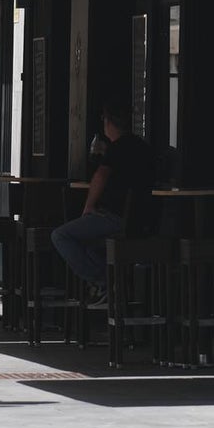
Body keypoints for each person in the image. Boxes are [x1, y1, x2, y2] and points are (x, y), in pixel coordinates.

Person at [51, 106, 155, 305]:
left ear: (107, 122)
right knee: (86, 242)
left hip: (114, 218)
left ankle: (105, 281)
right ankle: (111, 282)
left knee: (60, 236)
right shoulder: (143, 147)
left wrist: (88, 207)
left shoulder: (116, 147)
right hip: (143, 221)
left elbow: (101, 175)